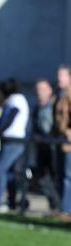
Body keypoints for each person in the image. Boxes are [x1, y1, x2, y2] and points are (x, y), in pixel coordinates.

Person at [0, 78, 30, 213]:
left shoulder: (15, 99)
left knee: (0, 170)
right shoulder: (18, 99)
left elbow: (10, 116)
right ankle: (12, 201)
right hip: (13, 140)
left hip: (13, 140)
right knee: (9, 173)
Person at [31, 79, 61, 214]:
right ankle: (55, 204)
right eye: (38, 89)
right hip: (42, 146)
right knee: (41, 177)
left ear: (49, 90)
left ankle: (60, 205)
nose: (40, 92)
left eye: (43, 89)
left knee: (56, 175)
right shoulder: (37, 107)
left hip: (54, 147)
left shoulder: (55, 105)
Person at [53, 65, 71, 221]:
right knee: (60, 175)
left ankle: (66, 210)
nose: (59, 78)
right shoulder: (60, 95)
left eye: (62, 75)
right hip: (60, 141)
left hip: (68, 143)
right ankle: (63, 208)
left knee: (67, 176)